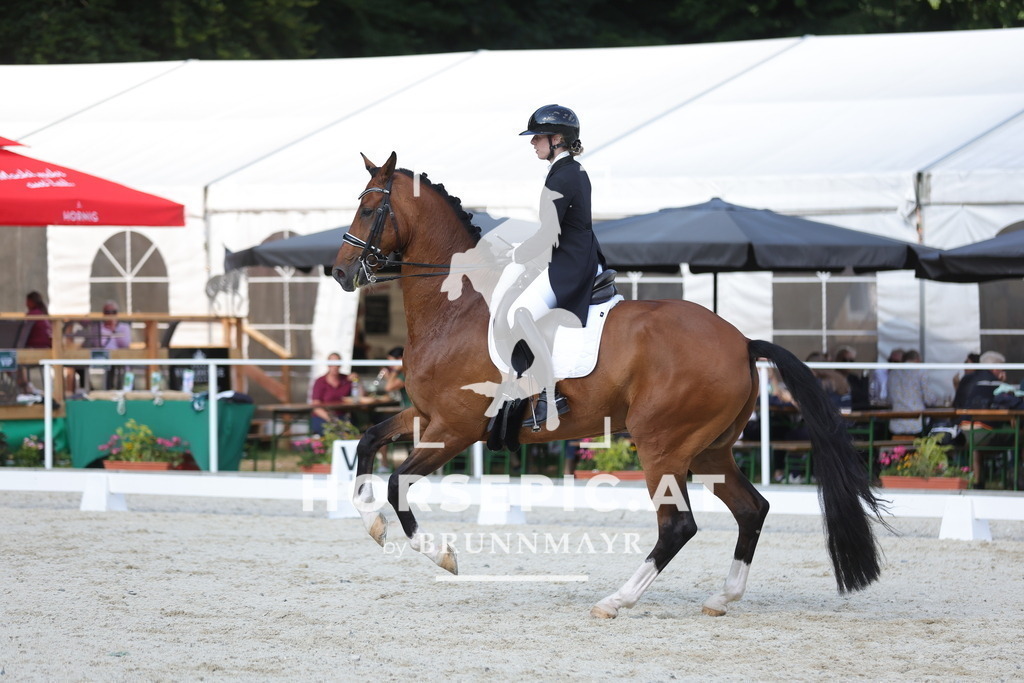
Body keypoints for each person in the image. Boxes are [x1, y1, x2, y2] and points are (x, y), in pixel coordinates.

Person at [498, 104, 606, 430]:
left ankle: (550, 394)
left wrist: (517, 254)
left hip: (570, 263)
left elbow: (549, 233)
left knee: (520, 313)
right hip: (575, 255)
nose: (533, 143)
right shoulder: (570, 170)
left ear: (557, 138)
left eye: (538, 137)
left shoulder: (564, 175)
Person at [886, 349, 946, 437]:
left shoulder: (892, 373)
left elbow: (889, 400)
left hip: (896, 425)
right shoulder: (920, 371)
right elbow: (929, 399)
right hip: (917, 425)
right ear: (918, 360)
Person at [309, 352, 356, 436]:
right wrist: (333, 420)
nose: (335, 366)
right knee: (333, 431)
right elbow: (316, 406)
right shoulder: (320, 381)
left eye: (337, 363)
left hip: (343, 415)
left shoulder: (346, 379)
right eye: (332, 363)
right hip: (324, 417)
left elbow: (360, 396)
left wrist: (357, 381)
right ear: (328, 365)